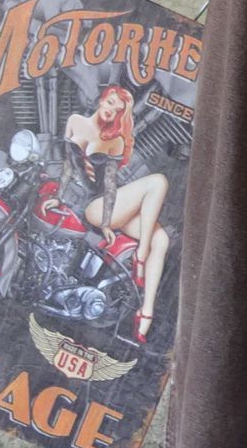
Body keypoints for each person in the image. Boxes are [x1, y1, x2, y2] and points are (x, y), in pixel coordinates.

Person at [62, 84, 170, 345]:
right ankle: (140, 256)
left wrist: (107, 222)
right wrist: (57, 195)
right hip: (90, 207)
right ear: (102, 99)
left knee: (162, 240)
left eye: (118, 110)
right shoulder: (75, 121)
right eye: (110, 103)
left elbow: (110, 185)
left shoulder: (116, 140)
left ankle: (146, 312)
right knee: (158, 182)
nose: (112, 110)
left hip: (103, 205)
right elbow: (67, 165)